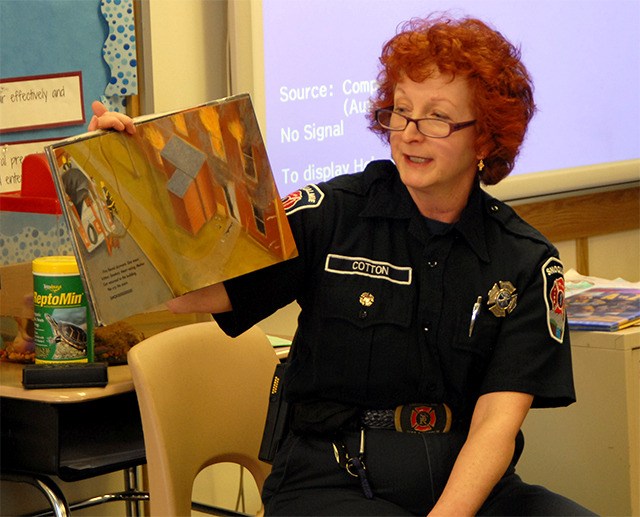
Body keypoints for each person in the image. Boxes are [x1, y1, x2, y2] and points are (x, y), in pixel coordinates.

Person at [89, 14, 596, 517]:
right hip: (333, 482)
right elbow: (186, 293)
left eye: (437, 117)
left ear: (484, 139)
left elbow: (495, 426)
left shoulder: (525, 261)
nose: (410, 133)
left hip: (469, 488)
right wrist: (120, 180)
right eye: (400, 111)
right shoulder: (329, 215)